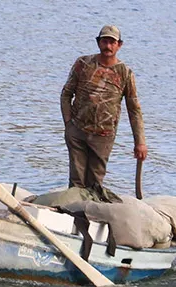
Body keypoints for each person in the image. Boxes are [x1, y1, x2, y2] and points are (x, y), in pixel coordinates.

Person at [60, 24, 147, 195]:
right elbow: (66, 95)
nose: (108, 46)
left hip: (103, 136)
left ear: (119, 45)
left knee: (95, 184)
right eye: (104, 41)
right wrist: (68, 123)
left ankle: (92, 215)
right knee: (76, 182)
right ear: (98, 43)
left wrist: (140, 142)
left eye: (112, 42)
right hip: (77, 131)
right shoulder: (83, 64)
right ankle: (75, 217)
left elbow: (134, 109)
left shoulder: (125, 73)